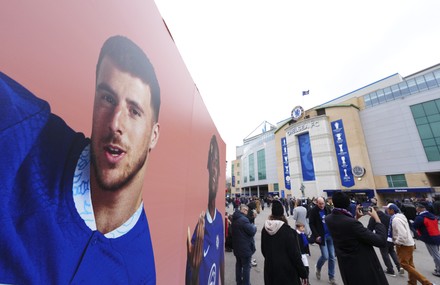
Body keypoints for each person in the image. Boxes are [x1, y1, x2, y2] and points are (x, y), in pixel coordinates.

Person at [0, 35, 160, 284]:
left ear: (153, 135)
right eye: (107, 98)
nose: (115, 123)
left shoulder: (141, 273)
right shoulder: (24, 128)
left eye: (134, 111)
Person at [326, 192, 389, 285]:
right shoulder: (352, 224)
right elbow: (381, 241)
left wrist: (355, 218)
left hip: (346, 265)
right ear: (348, 205)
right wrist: (377, 220)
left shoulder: (329, 218)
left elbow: (346, 230)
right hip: (362, 268)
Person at [186, 135, 225, 285]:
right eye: (212, 163)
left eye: (217, 165)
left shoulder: (220, 218)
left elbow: (221, 255)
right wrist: (194, 271)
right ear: (208, 168)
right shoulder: (199, 227)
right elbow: (191, 275)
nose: (215, 169)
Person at [386, 203, 435, 285]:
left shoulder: (396, 219)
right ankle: (412, 283)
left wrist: (397, 242)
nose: (387, 211)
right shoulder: (400, 216)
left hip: (404, 245)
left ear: (392, 210)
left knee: (404, 264)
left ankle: (426, 283)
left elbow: (402, 235)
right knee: (410, 265)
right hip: (409, 243)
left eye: (388, 209)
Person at [261, 200, 307, 285]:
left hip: (270, 271)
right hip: (287, 273)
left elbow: (264, 250)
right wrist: (303, 273)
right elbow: (295, 256)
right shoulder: (289, 231)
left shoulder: (265, 229)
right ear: (283, 214)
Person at [367, 205, 403, 276]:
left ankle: (390, 269)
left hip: (382, 238)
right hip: (391, 238)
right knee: (392, 251)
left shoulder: (373, 218)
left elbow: (369, 230)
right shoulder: (388, 216)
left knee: (384, 254)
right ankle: (400, 267)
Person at [309, 196, 337, 285]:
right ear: (316, 203)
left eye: (323, 203)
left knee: (332, 257)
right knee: (325, 256)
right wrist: (316, 235)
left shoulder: (328, 209)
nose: (321, 205)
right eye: (319, 204)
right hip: (321, 237)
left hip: (330, 236)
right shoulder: (313, 211)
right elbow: (311, 224)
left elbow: (332, 220)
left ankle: (331, 277)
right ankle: (318, 267)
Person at [232, 204, 257, 285]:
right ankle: (246, 283)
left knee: (238, 265)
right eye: (245, 210)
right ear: (241, 210)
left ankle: (239, 282)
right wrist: (254, 226)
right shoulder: (243, 220)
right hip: (245, 248)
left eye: (247, 210)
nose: (246, 212)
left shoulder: (235, 218)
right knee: (246, 267)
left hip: (237, 247)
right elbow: (252, 231)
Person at [413, 203, 440, 277]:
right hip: (437, 236)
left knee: (435, 255)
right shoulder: (432, 215)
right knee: (436, 254)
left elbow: (414, 226)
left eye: (416, 207)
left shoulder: (420, 217)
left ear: (419, 208)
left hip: (429, 238)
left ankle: (439, 270)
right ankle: (437, 268)